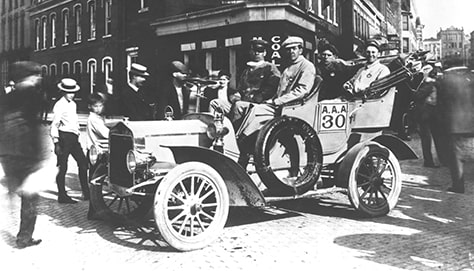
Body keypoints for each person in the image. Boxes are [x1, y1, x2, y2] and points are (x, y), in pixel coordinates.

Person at [237, 36, 316, 166]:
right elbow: (280, 90)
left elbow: (302, 91)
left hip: (292, 107)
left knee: (255, 113)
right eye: (288, 49)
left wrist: (277, 101)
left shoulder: (306, 66)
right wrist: (271, 100)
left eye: (294, 49)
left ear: (300, 50)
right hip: (280, 105)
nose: (291, 52)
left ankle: (243, 146)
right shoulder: (288, 67)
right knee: (248, 108)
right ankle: (242, 144)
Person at [0, 61, 47, 248]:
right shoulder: (34, 95)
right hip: (27, 155)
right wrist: (39, 156)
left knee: (18, 190)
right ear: (29, 76)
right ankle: (24, 237)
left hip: (8, 154)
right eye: (36, 76)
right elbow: (34, 125)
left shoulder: (7, 97)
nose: (38, 79)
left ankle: (12, 191)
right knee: (30, 197)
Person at [50, 78, 89, 203]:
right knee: (63, 167)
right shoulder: (59, 105)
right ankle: (62, 195)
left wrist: (77, 135)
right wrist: (56, 143)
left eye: (73, 92)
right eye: (68, 92)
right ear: (63, 92)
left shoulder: (73, 104)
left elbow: (74, 122)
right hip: (63, 138)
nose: (71, 94)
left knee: (83, 164)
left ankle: (86, 192)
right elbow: (54, 125)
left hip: (73, 138)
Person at [437, 66, 474, 193]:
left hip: (455, 124)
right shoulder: (471, 79)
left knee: (456, 157)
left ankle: (458, 186)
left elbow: (440, 103)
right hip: (471, 122)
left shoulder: (446, 82)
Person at [231, 39, 281, 124]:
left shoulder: (270, 68)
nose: (257, 53)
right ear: (250, 52)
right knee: (217, 103)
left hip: (259, 104)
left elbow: (272, 88)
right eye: (254, 50)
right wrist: (237, 94)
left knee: (238, 106)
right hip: (244, 101)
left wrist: (257, 97)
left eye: (260, 51)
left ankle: (234, 134)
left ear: (264, 53)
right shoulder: (247, 70)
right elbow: (240, 88)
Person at [413, 63, 443, 168]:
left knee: (428, 139)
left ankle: (429, 161)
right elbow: (417, 96)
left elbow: (416, 95)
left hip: (426, 114)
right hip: (428, 114)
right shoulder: (431, 85)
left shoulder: (429, 84)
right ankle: (435, 160)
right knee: (433, 138)